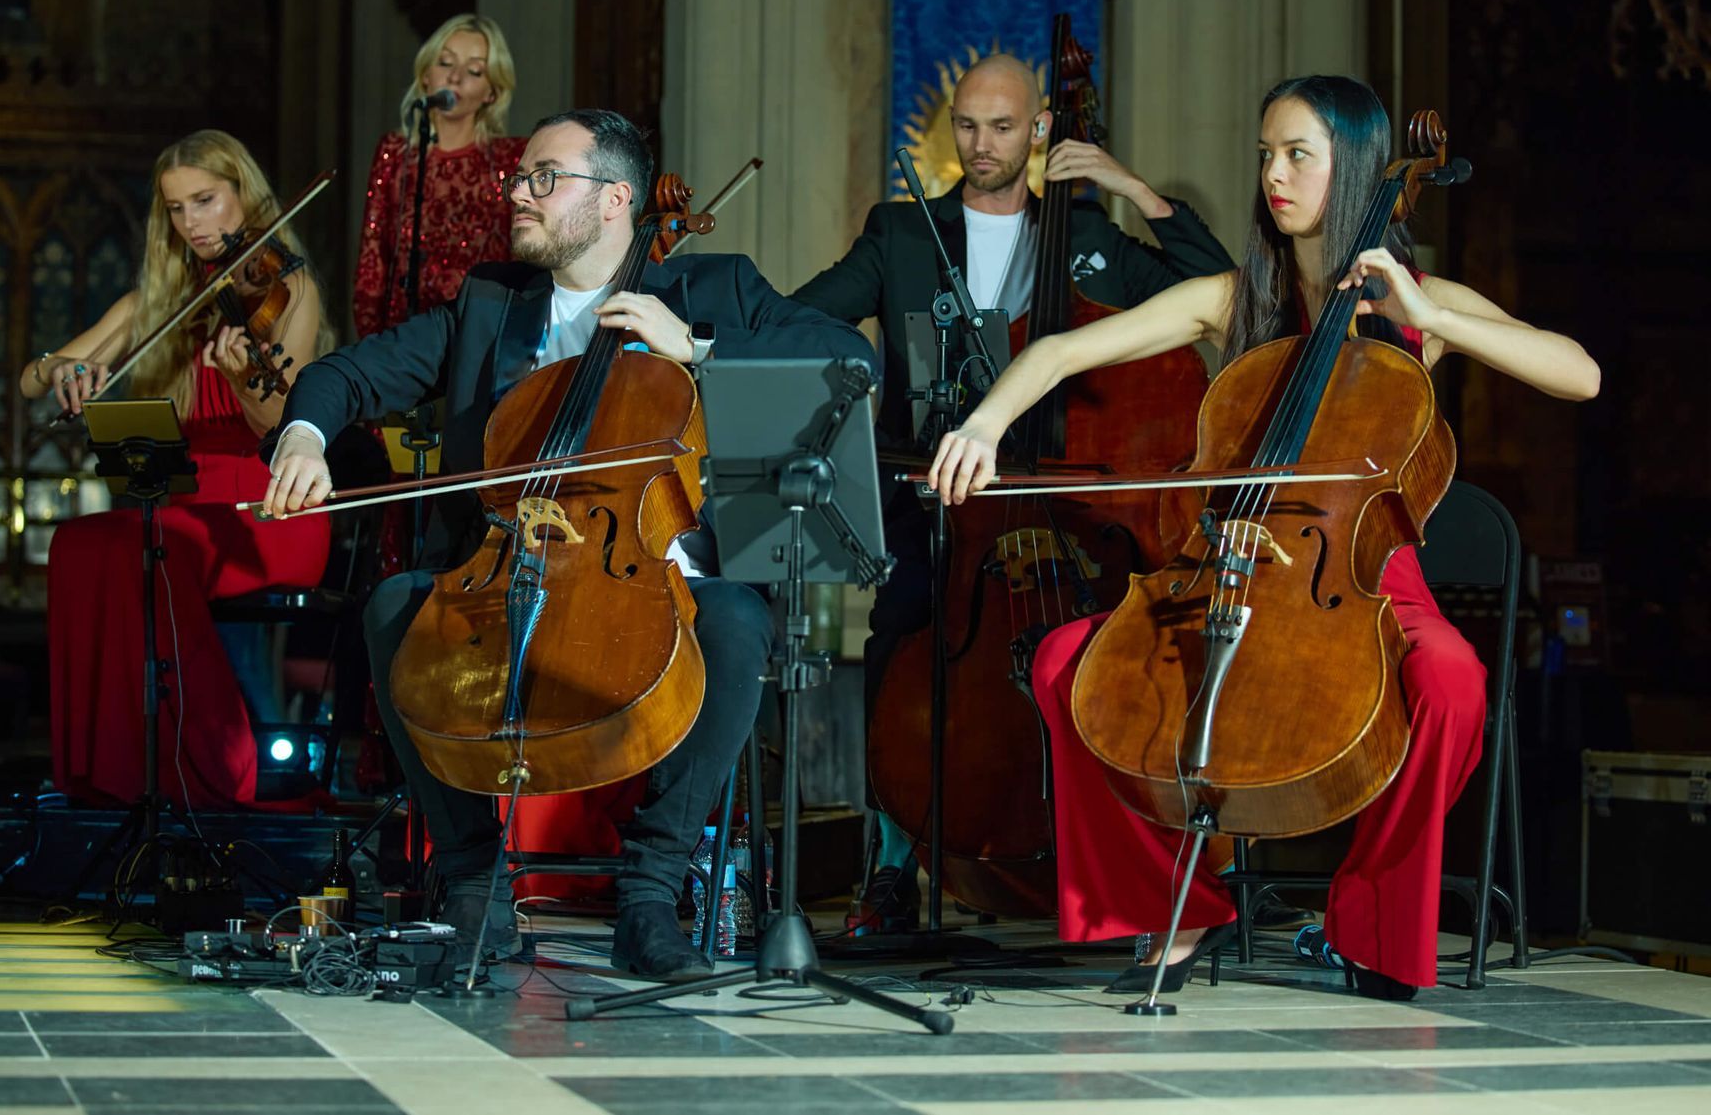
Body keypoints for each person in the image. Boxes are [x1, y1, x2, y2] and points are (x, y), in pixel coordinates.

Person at [925, 74, 1600, 997]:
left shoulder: (1417, 302)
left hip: (1364, 580)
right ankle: (1176, 906)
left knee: (1453, 684)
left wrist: (1434, 318)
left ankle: (1364, 922)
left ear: (1356, 169)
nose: (1273, 176)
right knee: (1062, 669)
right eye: (1264, 156)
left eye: (1297, 156)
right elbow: (1059, 352)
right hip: (1224, 566)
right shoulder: (1230, 296)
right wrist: (985, 425)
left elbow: (1581, 373)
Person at [261, 109, 878, 980]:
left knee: (738, 621)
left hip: (655, 583)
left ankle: (650, 892)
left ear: (616, 198)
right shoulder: (490, 304)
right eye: (520, 178)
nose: (518, 192)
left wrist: (695, 348)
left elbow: (848, 356)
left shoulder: (713, 288)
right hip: (507, 578)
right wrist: (304, 438)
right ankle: (475, 882)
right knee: (398, 607)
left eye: (544, 179)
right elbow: (343, 374)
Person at [790, 52, 1238, 929]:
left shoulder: (1092, 242)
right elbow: (807, 309)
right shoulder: (903, 231)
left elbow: (1221, 289)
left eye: (1002, 127)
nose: (980, 143)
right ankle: (892, 863)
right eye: (966, 125)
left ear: (1040, 129)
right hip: (938, 497)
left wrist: (1126, 184)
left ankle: (1124, 853)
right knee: (898, 631)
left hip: (1074, 510)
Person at [26, 129, 334, 810]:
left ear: (242, 196)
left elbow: (279, 425)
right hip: (184, 502)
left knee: (145, 545)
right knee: (79, 542)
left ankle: (211, 765)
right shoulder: (159, 302)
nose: (192, 223)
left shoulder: (289, 285)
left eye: (206, 200)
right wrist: (65, 369)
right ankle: (115, 771)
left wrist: (246, 377)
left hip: (267, 508)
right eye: (176, 208)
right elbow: (30, 376)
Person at [353, 12, 525, 337]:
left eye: (474, 70)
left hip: (482, 333)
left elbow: (524, 260)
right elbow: (372, 260)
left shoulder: (512, 157)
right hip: (402, 335)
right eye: (446, 63)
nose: (456, 78)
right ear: (427, 77)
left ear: (492, 91)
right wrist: (372, 347)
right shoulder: (395, 152)